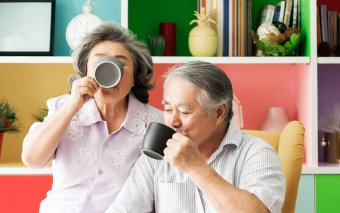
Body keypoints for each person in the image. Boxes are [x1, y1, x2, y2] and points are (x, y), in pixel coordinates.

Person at [106, 61, 285, 213]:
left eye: (184, 111)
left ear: (218, 113)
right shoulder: (156, 157)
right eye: (168, 110)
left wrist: (196, 167)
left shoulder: (256, 153)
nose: (172, 121)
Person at [21, 22, 163, 213]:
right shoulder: (63, 108)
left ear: (136, 75)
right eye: (100, 61)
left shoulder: (155, 123)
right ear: (86, 70)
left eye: (120, 62)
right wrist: (73, 106)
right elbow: (32, 160)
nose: (111, 70)